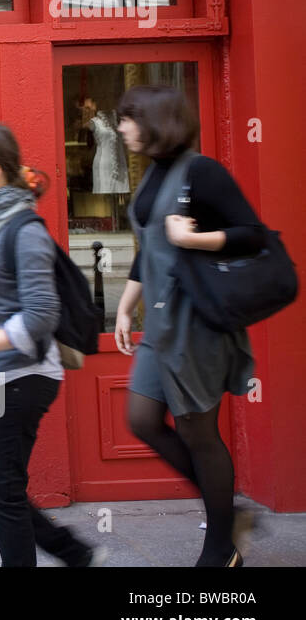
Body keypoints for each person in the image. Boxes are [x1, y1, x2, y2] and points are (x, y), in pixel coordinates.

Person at [112, 85, 262, 566]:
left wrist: (200, 240)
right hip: (159, 326)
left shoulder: (201, 172)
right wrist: (125, 304)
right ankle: (225, 513)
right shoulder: (154, 173)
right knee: (141, 419)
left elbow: (252, 235)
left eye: (128, 118)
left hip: (197, 326)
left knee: (199, 434)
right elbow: (152, 247)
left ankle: (220, 548)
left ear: (156, 120)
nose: (120, 128)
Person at [0, 123, 104, 567]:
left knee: (1, 489)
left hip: (23, 375)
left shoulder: (25, 230)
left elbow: (40, 316)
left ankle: (63, 555)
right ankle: (74, 553)